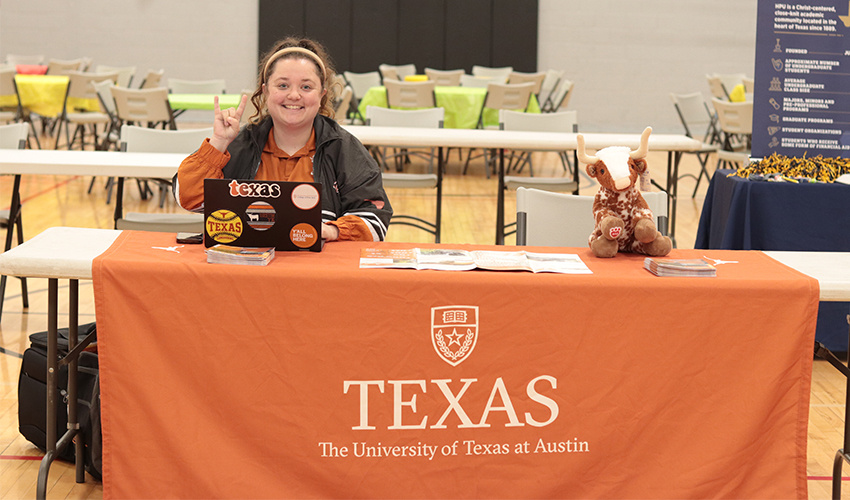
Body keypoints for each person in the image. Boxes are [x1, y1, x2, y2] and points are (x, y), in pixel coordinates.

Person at [173, 37, 392, 242]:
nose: (294, 95)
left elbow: (376, 221)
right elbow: (188, 199)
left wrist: (332, 230)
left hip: (316, 273)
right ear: (266, 92)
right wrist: (219, 143)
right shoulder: (238, 144)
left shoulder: (344, 149)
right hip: (244, 269)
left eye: (306, 87)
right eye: (283, 85)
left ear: (321, 94)